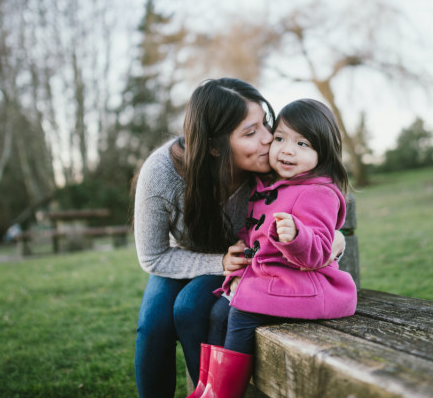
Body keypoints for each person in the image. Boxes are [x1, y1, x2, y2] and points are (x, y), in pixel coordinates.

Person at [133, 79, 344, 398]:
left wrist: (334, 238)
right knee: (153, 326)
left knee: (189, 307)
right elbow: (152, 257)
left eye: (265, 124)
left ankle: (212, 391)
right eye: (250, 133)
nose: (268, 139)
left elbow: (316, 201)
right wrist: (217, 261)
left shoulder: (273, 163)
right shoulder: (162, 173)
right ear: (215, 145)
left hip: (243, 263)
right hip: (180, 259)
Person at [188, 99, 358, 398]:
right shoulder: (272, 185)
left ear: (323, 152)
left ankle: (224, 394)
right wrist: (243, 245)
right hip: (273, 281)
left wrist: (296, 236)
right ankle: (207, 387)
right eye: (280, 138)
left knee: (240, 312)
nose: (287, 150)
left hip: (304, 286)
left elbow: (319, 252)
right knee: (218, 311)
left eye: (303, 143)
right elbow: (257, 230)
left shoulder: (318, 192)